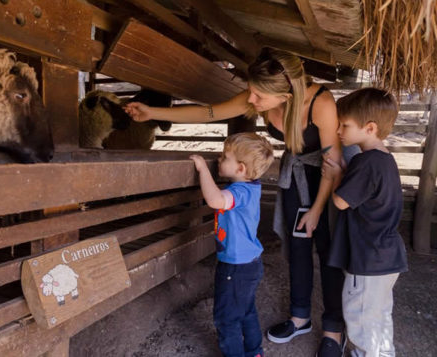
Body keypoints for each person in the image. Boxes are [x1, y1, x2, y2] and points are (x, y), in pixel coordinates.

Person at [125, 47, 346, 355]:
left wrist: (319, 209)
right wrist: (153, 113)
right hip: (295, 176)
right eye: (251, 93)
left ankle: (333, 330)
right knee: (297, 247)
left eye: (257, 97)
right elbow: (209, 112)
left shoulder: (320, 104)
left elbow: (332, 164)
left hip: (325, 178)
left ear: (285, 95)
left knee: (327, 247)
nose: (251, 101)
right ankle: (300, 318)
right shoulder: (262, 93)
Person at [322, 88, 408, 357]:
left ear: (369, 128)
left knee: (360, 321)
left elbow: (340, 201)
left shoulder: (365, 162)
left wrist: (336, 176)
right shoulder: (384, 160)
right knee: (378, 318)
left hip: (367, 258)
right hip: (386, 256)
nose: (338, 132)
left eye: (345, 125)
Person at [190, 132, 274, 357]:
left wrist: (203, 170)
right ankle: (254, 352)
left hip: (236, 268)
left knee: (226, 318)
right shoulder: (251, 189)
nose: (219, 159)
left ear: (241, 169)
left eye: (224, 157)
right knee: (246, 311)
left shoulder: (239, 191)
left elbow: (215, 200)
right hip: (249, 264)